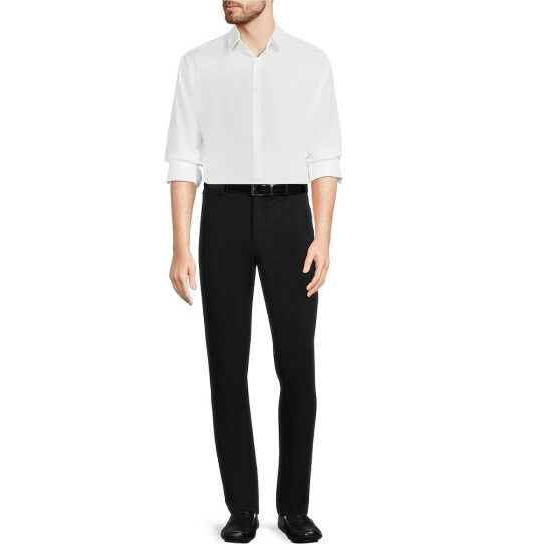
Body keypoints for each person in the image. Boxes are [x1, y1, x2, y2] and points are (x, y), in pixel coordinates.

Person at [165, 0, 342, 543]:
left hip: (291, 218)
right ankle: (241, 507)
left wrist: (323, 237)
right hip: (221, 219)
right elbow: (183, 158)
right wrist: (180, 245)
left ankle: (293, 508)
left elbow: (325, 157)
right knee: (226, 367)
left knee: (298, 369)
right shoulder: (197, 64)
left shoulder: (312, 63)